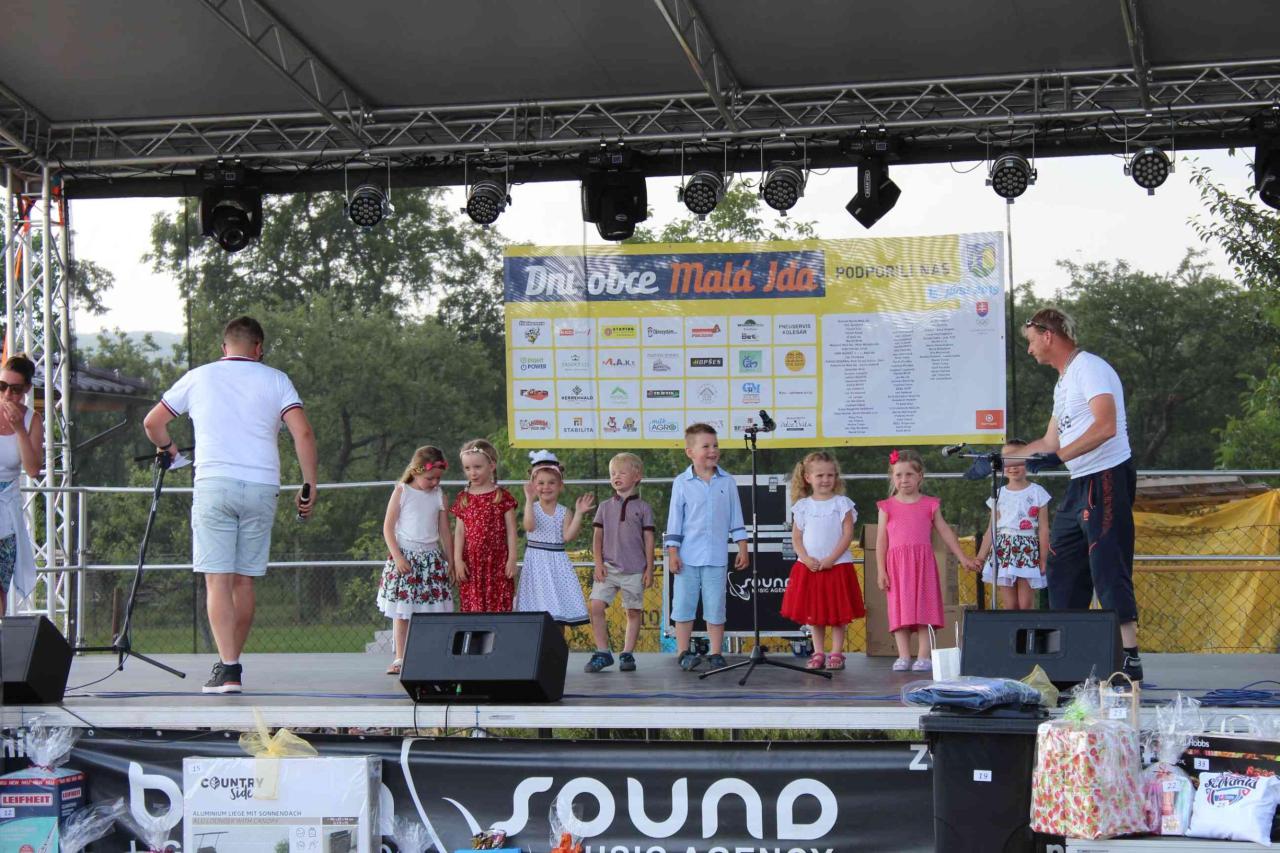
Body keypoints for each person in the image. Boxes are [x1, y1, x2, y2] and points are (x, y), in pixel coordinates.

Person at [143, 316, 317, 694]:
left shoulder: (199, 376)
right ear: (259, 348)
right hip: (262, 486)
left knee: (217, 580)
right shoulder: (277, 380)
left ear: (224, 347)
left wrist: (168, 448)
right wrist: (309, 483)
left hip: (214, 484)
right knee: (243, 580)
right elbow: (302, 432)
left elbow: (153, 422)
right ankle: (230, 666)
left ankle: (228, 668)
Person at [1020, 306, 1143, 681]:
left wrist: (1058, 458)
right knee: (1061, 566)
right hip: (1079, 482)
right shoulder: (1062, 383)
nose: (1030, 350)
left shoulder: (1090, 367)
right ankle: (1070, 657)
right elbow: (1049, 442)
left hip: (1106, 476)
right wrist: (1001, 458)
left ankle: (1129, 660)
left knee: (1107, 564)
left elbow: (1106, 426)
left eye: (1031, 342)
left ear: (1048, 336)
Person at [876, 448, 978, 672]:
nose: (904, 480)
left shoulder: (930, 504)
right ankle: (903, 655)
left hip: (923, 565)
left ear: (920, 476)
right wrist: (881, 570)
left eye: (909, 474)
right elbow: (881, 540)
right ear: (892, 477)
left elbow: (945, 532)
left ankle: (923, 655)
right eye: (899, 475)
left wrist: (963, 558)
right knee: (899, 610)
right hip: (897, 567)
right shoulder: (886, 506)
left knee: (925, 608)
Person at [664, 422, 749, 671]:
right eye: (706, 446)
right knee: (684, 605)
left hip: (716, 557)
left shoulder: (727, 482)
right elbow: (675, 520)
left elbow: (736, 518)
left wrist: (742, 547)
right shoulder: (681, 482)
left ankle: (715, 652)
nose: (713, 451)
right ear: (690, 452)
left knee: (715, 606)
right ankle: (683, 652)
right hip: (687, 557)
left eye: (715, 445)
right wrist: (673, 553)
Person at [780, 451, 864, 671]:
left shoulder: (842, 503)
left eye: (830, 475)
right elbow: (796, 538)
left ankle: (836, 653)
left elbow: (847, 534)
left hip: (837, 567)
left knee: (837, 614)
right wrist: (806, 558)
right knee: (814, 615)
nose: (825, 480)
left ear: (836, 477)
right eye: (820, 475)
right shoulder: (802, 506)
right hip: (810, 568)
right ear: (808, 478)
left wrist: (832, 559)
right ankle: (818, 652)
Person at [378, 445, 454, 675]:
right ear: (416, 471)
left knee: (431, 610)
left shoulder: (439, 495)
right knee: (403, 612)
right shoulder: (402, 491)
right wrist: (398, 557)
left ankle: (430, 655)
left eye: (438, 478)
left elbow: (445, 532)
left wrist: (451, 561)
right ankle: (400, 657)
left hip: (431, 561)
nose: (434, 482)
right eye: (430, 478)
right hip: (406, 560)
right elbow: (388, 528)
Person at [584, 452, 655, 673]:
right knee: (595, 605)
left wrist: (649, 568)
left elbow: (649, 539)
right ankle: (603, 652)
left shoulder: (644, 508)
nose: (616, 476)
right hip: (608, 567)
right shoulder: (604, 506)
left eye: (622, 472)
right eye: (613, 473)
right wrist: (598, 563)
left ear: (637, 476)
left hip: (635, 569)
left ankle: (627, 653)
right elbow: (597, 537)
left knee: (633, 611)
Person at [973, 439, 1052, 610]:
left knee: (1025, 604)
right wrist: (980, 556)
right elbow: (991, 529)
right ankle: (1011, 628)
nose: (1013, 467)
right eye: (1008, 461)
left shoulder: (1038, 492)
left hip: (1027, 549)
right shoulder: (998, 493)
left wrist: (1043, 558)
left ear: (1029, 461)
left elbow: (1044, 529)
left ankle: (1027, 628)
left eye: (1019, 460)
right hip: (1003, 550)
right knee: (1010, 604)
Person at [516, 450, 592, 628]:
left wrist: (579, 513)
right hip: (536, 564)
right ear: (533, 486)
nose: (546, 487)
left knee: (558, 613)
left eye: (551, 482)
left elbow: (568, 537)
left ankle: (557, 645)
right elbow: (529, 526)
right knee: (535, 612)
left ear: (560, 486)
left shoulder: (564, 511)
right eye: (541, 483)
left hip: (557, 564)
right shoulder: (532, 507)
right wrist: (528, 500)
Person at [450, 438, 518, 612]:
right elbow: (459, 532)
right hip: (472, 564)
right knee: (474, 609)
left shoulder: (502, 497)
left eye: (477, 467)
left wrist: (512, 559)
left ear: (492, 466)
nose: (472, 473)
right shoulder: (463, 498)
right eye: (467, 468)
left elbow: (511, 531)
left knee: (499, 607)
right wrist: (457, 560)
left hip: (497, 562)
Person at [0, 354, 43, 614]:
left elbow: (33, 469)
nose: (7, 395)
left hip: (6, 510)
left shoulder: (31, 420)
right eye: (2, 386)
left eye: (15, 389)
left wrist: (19, 430)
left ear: (26, 389)